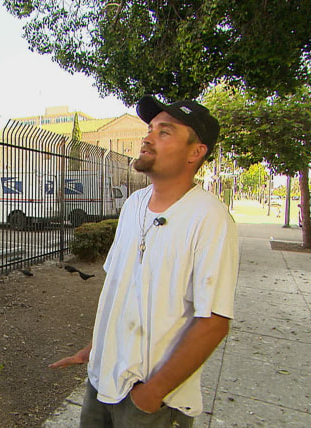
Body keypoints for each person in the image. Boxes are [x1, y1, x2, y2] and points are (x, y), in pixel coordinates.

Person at [50, 95, 239, 427]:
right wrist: (97, 348)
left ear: (196, 152)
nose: (147, 137)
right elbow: (120, 289)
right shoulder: (133, 204)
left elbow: (213, 322)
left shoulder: (209, 218)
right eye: (149, 129)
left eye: (165, 132)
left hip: (152, 401)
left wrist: (151, 395)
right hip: (101, 381)